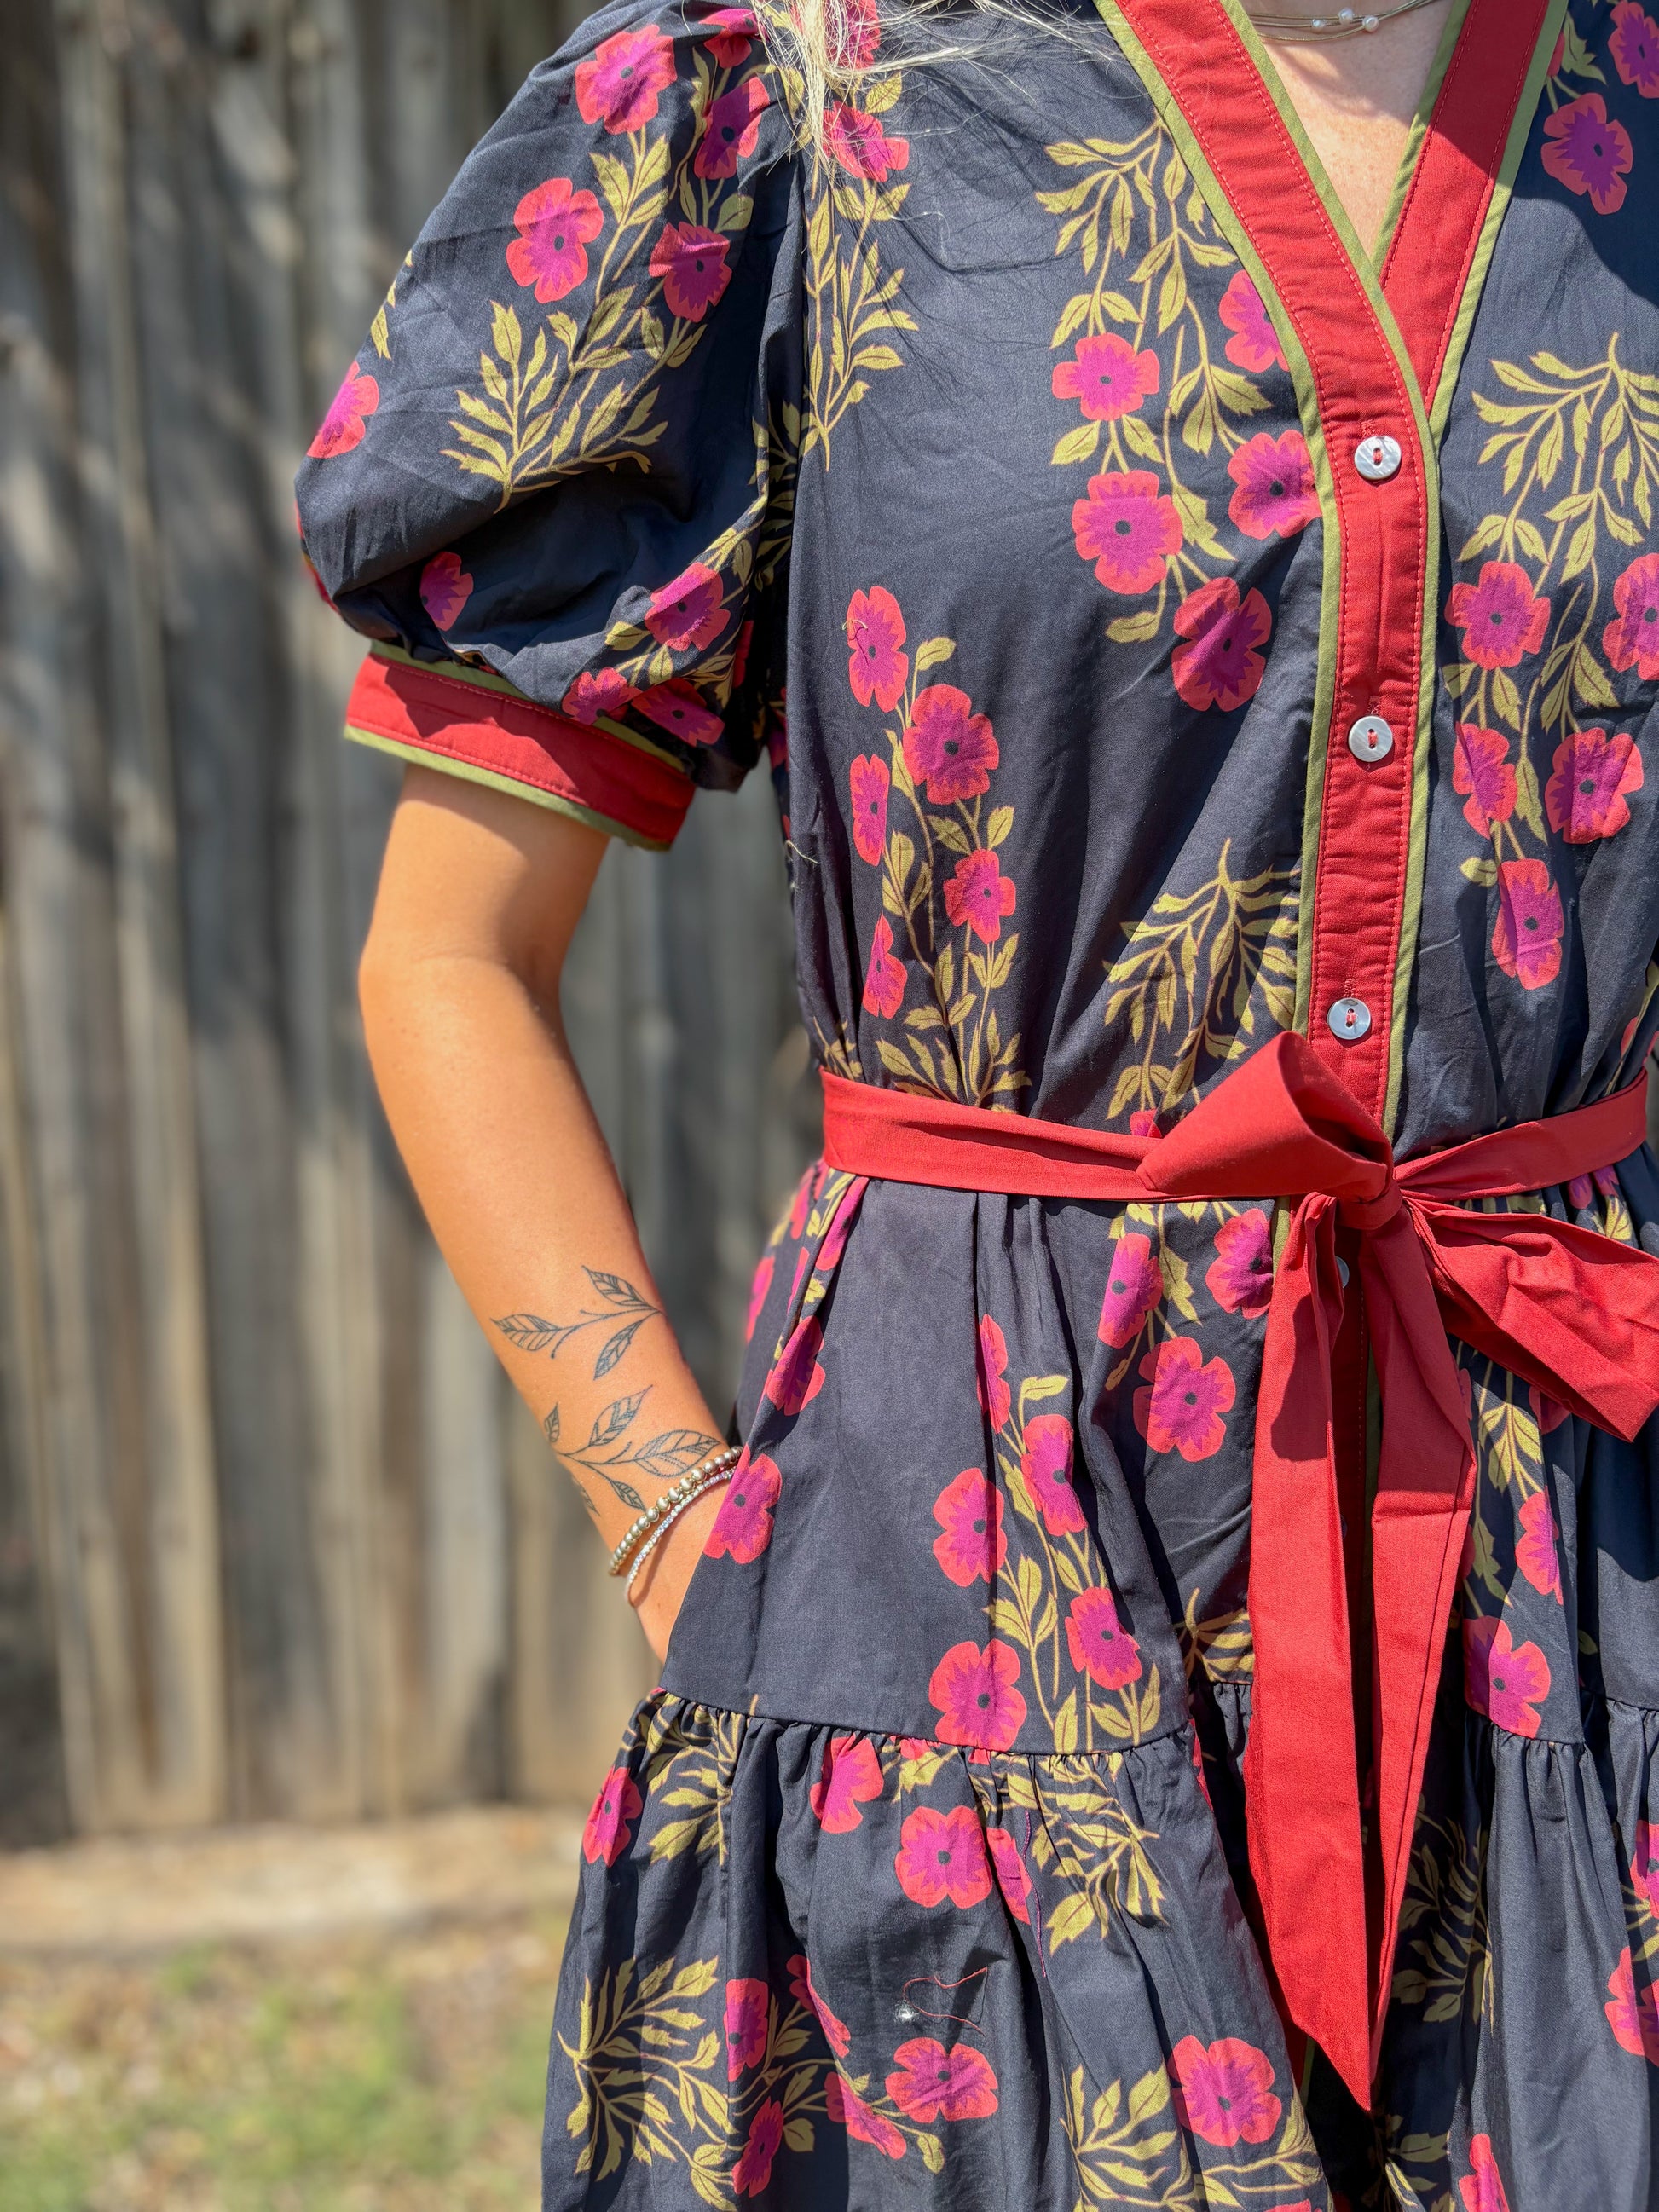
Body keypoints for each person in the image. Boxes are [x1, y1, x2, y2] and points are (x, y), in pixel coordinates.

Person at [295, 0, 1659, 2200]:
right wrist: (676, 1519)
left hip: (1578, 1590)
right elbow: (447, 954)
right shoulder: (813, 100)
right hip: (957, 1580)